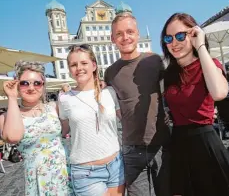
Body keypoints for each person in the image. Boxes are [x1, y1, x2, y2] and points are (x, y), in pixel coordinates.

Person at [161, 12, 229, 196]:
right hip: (177, 145)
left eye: (180, 35)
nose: (174, 43)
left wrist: (200, 45)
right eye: (169, 38)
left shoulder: (209, 64)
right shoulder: (168, 74)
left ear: (193, 34)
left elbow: (218, 93)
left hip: (205, 143)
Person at [105, 12, 171, 196]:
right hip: (132, 150)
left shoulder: (154, 61)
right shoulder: (110, 73)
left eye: (129, 31)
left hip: (162, 143)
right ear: (112, 39)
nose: (125, 37)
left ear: (138, 34)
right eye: (119, 34)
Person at [58, 44, 125, 196]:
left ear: (94, 65)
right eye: (73, 65)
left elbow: (127, 120)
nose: (79, 68)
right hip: (85, 172)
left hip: (116, 165)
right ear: (69, 70)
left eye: (84, 63)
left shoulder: (110, 92)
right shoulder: (64, 99)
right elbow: (62, 130)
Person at [0, 61, 73, 196]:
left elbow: (67, 130)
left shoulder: (54, 107)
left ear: (43, 85)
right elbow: (12, 137)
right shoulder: (7, 117)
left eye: (37, 83)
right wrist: (11, 97)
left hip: (67, 174)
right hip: (38, 180)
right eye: (24, 83)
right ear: (17, 85)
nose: (31, 88)